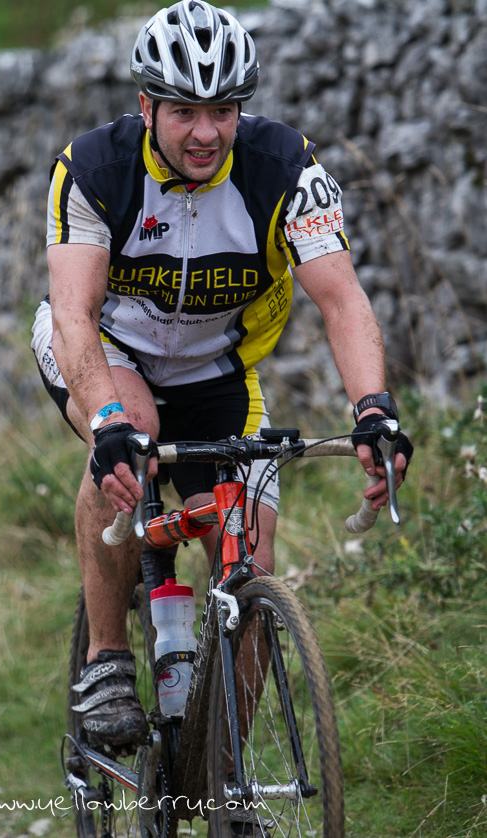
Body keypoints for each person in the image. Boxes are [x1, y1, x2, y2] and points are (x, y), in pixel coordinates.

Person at [32, 0, 411, 758]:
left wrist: (373, 410)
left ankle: (220, 762)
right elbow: (73, 314)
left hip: (218, 370)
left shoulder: (288, 171)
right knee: (130, 442)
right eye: (184, 112)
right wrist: (106, 422)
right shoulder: (93, 169)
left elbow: (342, 299)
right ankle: (107, 660)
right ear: (147, 107)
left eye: (224, 111)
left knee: (250, 558)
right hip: (108, 350)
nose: (206, 132)